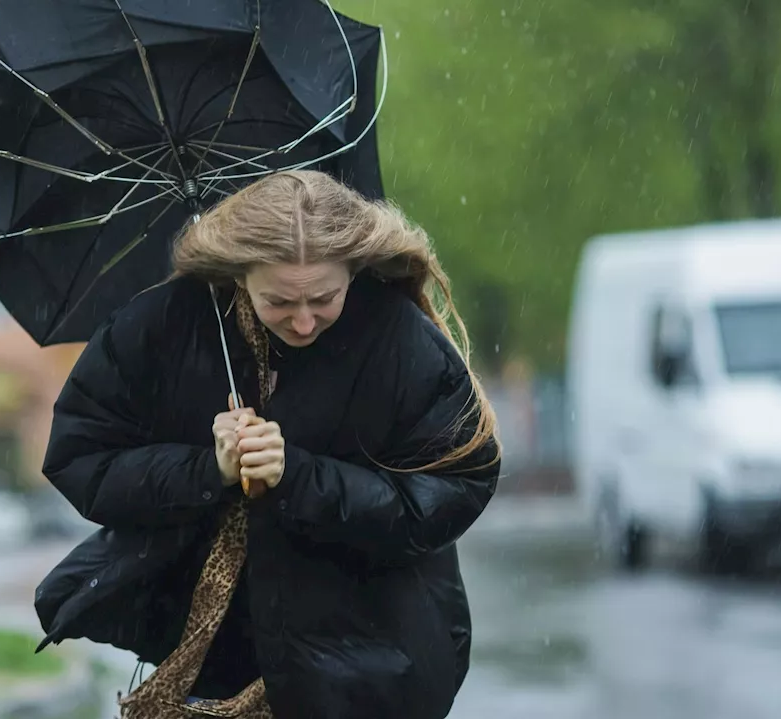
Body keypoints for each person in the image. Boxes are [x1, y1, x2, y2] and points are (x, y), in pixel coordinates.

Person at [34, 170, 501, 719]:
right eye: (279, 301)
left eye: (325, 298)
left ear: (353, 270)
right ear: (238, 274)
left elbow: (452, 489)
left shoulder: (399, 340)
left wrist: (299, 478)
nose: (304, 321)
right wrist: (208, 471)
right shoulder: (161, 327)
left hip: (366, 668)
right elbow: (81, 458)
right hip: (208, 666)